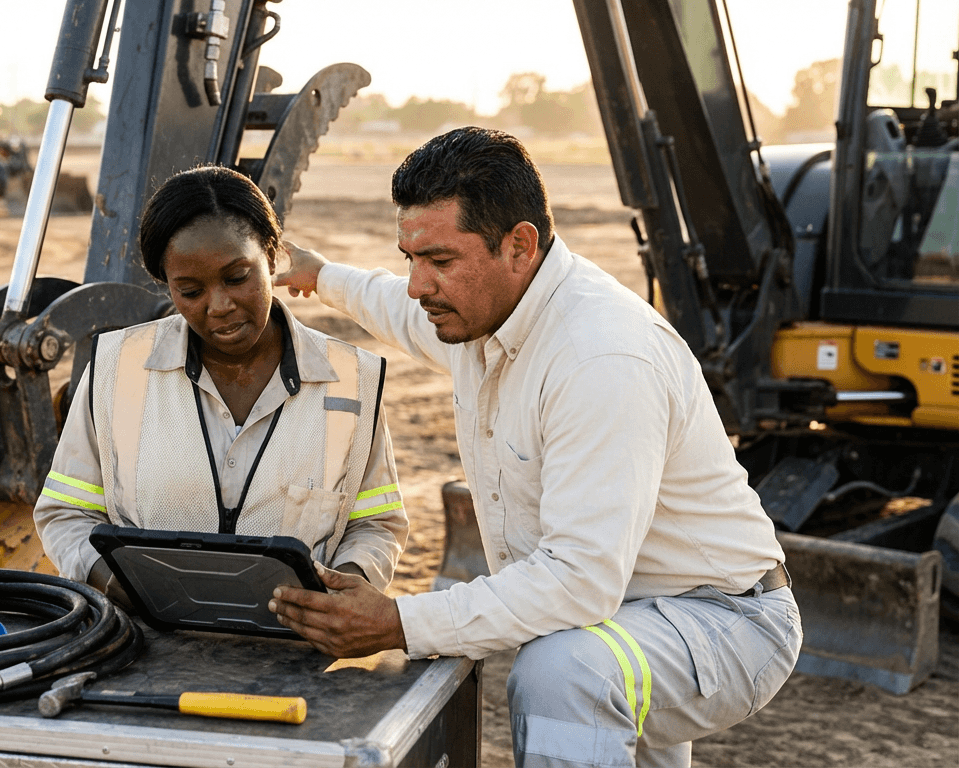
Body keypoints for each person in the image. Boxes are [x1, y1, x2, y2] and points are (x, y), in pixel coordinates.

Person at [268, 127, 801, 768]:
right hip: (629, 616)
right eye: (410, 258)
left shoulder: (599, 357)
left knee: (563, 673)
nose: (417, 284)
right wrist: (320, 275)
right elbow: (393, 306)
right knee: (580, 664)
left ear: (519, 246)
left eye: (440, 261)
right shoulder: (483, 314)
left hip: (724, 619)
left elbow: (578, 581)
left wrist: (399, 622)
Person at [34, 165, 408, 601]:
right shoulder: (116, 368)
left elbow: (375, 523)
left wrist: (341, 594)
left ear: (272, 257)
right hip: (146, 634)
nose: (219, 305)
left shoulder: (352, 380)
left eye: (237, 278)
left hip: (298, 639)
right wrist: (121, 587)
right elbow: (67, 512)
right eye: (191, 291)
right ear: (168, 286)